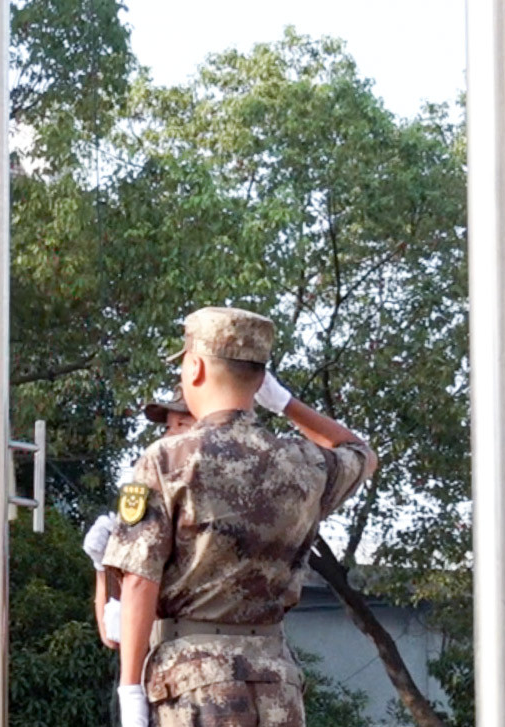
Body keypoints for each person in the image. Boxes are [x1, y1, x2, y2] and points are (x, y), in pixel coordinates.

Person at [104, 307, 378, 727]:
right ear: (261, 380)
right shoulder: (303, 462)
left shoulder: (168, 459)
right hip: (277, 683)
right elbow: (361, 453)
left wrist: (130, 692)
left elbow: (140, 578)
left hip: (192, 683)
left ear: (195, 367)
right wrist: (286, 404)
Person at [82, 395, 196, 727]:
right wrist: (104, 568)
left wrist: (130, 691)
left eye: (181, 424)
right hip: (158, 674)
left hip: (189, 672)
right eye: (168, 427)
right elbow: (114, 631)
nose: (169, 436)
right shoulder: (152, 493)